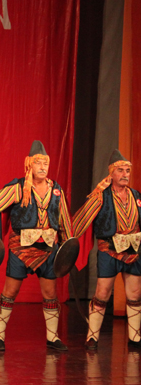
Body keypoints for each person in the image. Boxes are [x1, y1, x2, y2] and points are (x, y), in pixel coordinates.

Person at [0, 140, 72, 352]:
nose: (42, 167)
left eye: (45, 163)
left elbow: (64, 221)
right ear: (29, 164)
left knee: (50, 292)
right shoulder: (17, 189)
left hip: (48, 249)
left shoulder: (56, 191)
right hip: (20, 250)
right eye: (38, 163)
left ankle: (52, 337)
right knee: (10, 291)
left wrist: (68, 246)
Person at [72, 150, 141, 350]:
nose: (125, 174)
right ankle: (92, 336)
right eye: (121, 170)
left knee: (135, 292)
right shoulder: (101, 196)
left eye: (127, 170)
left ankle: (135, 337)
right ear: (111, 173)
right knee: (102, 292)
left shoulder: (136, 195)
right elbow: (81, 220)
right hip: (109, 250)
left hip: (133, 250)